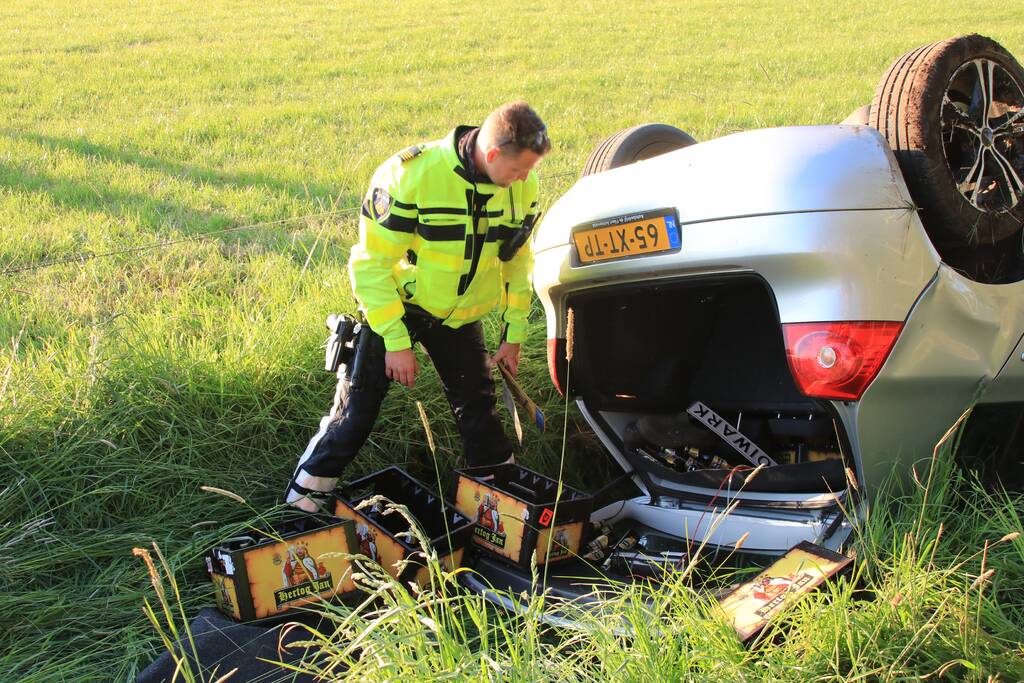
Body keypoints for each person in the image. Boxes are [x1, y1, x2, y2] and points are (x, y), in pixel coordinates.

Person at [285, 101, 550, 511]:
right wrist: (395, 340)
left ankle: (500, 511)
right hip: (400, 307)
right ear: (493, 154)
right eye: (519, 170)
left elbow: (518, 261)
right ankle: (297, 509)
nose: (525, 180)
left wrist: (514, 333)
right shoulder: (410, 175)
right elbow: (370, 265)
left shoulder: (520, 186)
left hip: (459, 317)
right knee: (356, 412)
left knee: (480, 413)